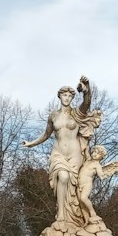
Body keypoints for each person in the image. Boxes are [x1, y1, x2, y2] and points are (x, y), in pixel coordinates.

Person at [21, 77, 103, 226]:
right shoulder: (53, 116)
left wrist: (87, 90)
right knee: (63, 177)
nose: (66, 98)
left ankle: (75, 219)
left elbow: (87, 103)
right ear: (59, 96)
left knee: (74, 188)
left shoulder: (77, 114)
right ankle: (61, 213)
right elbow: (46, 134)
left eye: (69, 95)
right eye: (64, 95)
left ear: (72, 97)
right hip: (58, 153)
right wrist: (31, 144)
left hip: (74, 154)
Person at [77, 146, 118, 224]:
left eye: (97, 154)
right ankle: (85, 218)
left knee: (83, 198)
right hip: (79, 183)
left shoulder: (97, 166)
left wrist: (108, 172)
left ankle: (92, 212)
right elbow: (86, 150)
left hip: (87, 184)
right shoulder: (88, 160)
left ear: (101, 157)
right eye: (94, 152)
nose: (94, 154)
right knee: (80, 201)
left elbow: (101, 175)